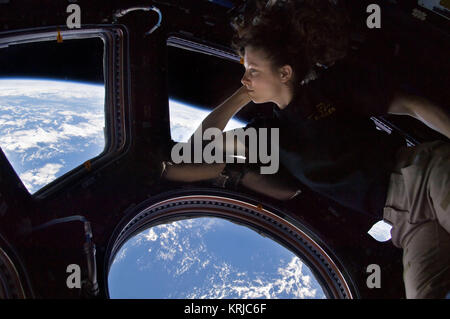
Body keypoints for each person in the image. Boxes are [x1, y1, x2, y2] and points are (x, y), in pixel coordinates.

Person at [161, 0, 450, 298]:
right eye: (244, 70)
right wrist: (239, 97)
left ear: (285, 73)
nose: (245, 79)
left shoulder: (332, 88)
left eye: (253, 70)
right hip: (404, 220)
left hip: (426, 176)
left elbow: (413, 106)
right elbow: (201, 145)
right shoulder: (270, 136)